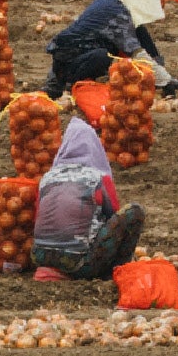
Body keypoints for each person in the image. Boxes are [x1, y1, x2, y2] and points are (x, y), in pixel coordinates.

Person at [30, 116, 147, 281]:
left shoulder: (47, 178)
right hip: (79, 264)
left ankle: (51, 266)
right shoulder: (99, 178)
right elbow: (113, 216)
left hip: (39, 258)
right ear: (96, 149)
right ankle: (116, 270)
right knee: (134, 212)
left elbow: (39, 216)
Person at [43, 0, 178, 98]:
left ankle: (159, 70)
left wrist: (159, 70)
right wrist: (164, 81)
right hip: (69, 59)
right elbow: (136, 52)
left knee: (138, 29)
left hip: (83, 48)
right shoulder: (116, 12)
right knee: (102, 56)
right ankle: (65, 82)